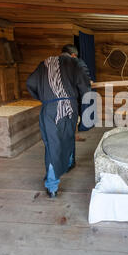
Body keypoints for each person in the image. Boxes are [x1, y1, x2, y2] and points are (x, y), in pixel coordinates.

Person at [26, 45, 91, 198]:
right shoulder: (74, 63)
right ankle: (63, 169)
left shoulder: (45, 63)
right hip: (67, 107)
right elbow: (85, 86)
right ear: (73, 55)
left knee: (52, 144)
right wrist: (83, 106)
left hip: (48, 109)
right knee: (67, 137)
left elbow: (30, 82)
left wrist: (45, 97)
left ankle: (53, 186)